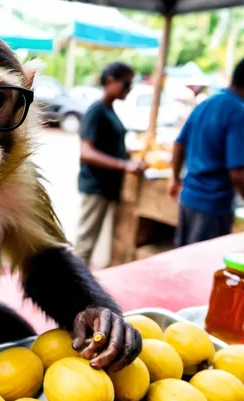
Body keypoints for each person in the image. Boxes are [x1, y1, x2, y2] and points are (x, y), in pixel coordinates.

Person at [75, 62, 148, 266]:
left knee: (101, 246)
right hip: (96, 186)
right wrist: (123, 165)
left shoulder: (109, 110)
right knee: (85, 244)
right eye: (126, 84)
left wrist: (127, 156)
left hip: (108, 188)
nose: (129, 89)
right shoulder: (96, 111)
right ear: (110, 81)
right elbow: (86, 152)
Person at [169, 57, 244, 247]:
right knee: (201, 266)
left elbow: (179, 144)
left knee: (184, 258)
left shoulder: (207, 103)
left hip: (189, 199)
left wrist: (175, 178)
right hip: (213, 205)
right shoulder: (238, 112)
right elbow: (237, 173)